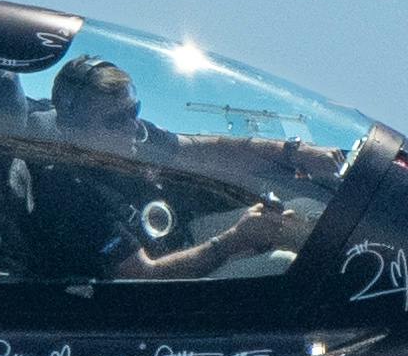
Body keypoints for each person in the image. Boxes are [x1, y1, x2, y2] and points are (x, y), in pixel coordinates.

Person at [21, 55, 303, 282]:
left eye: (133, 111)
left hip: (181, 239)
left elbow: (202, 148)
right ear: (75, 131)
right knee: (284, 265)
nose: (132, 126)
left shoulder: (133, 135)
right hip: (159, 288)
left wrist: (292, 153)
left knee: (305, 213)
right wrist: (235, 240)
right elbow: (144, 275)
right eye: (116, 120)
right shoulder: (68, 194)